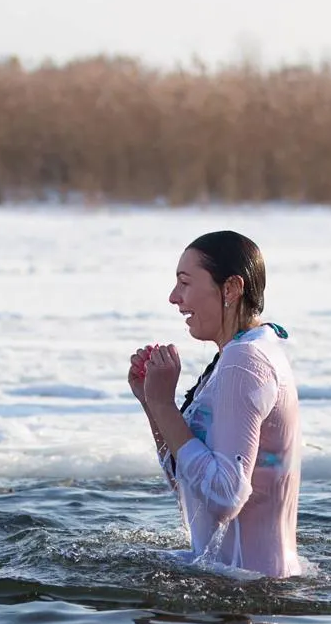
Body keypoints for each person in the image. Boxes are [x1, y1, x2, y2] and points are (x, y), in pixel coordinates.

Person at [128, 231, 303, 578]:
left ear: (231, 289)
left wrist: (165, 405)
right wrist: (153, 402)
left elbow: (224, 497)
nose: (174, 297)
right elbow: (189, 485)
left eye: (185, 282)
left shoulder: (244, 360)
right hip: (246, 583)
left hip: (249, 599)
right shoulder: (242, 354)